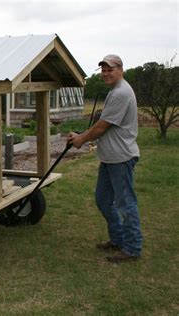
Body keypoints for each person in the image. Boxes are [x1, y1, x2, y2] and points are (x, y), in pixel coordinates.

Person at [67, 54, 142, 263]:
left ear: (121, 70)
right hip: (110, 158)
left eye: (110, 69)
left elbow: (102, 127)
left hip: (121, 158)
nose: (106, 73)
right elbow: (102, 124)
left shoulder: (121, 93)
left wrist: (81, 139)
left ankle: (132, 248)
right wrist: (81, 134)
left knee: (126, 203)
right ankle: (118, 239)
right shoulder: (114, 92)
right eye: (103, 70)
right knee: (103, 200)